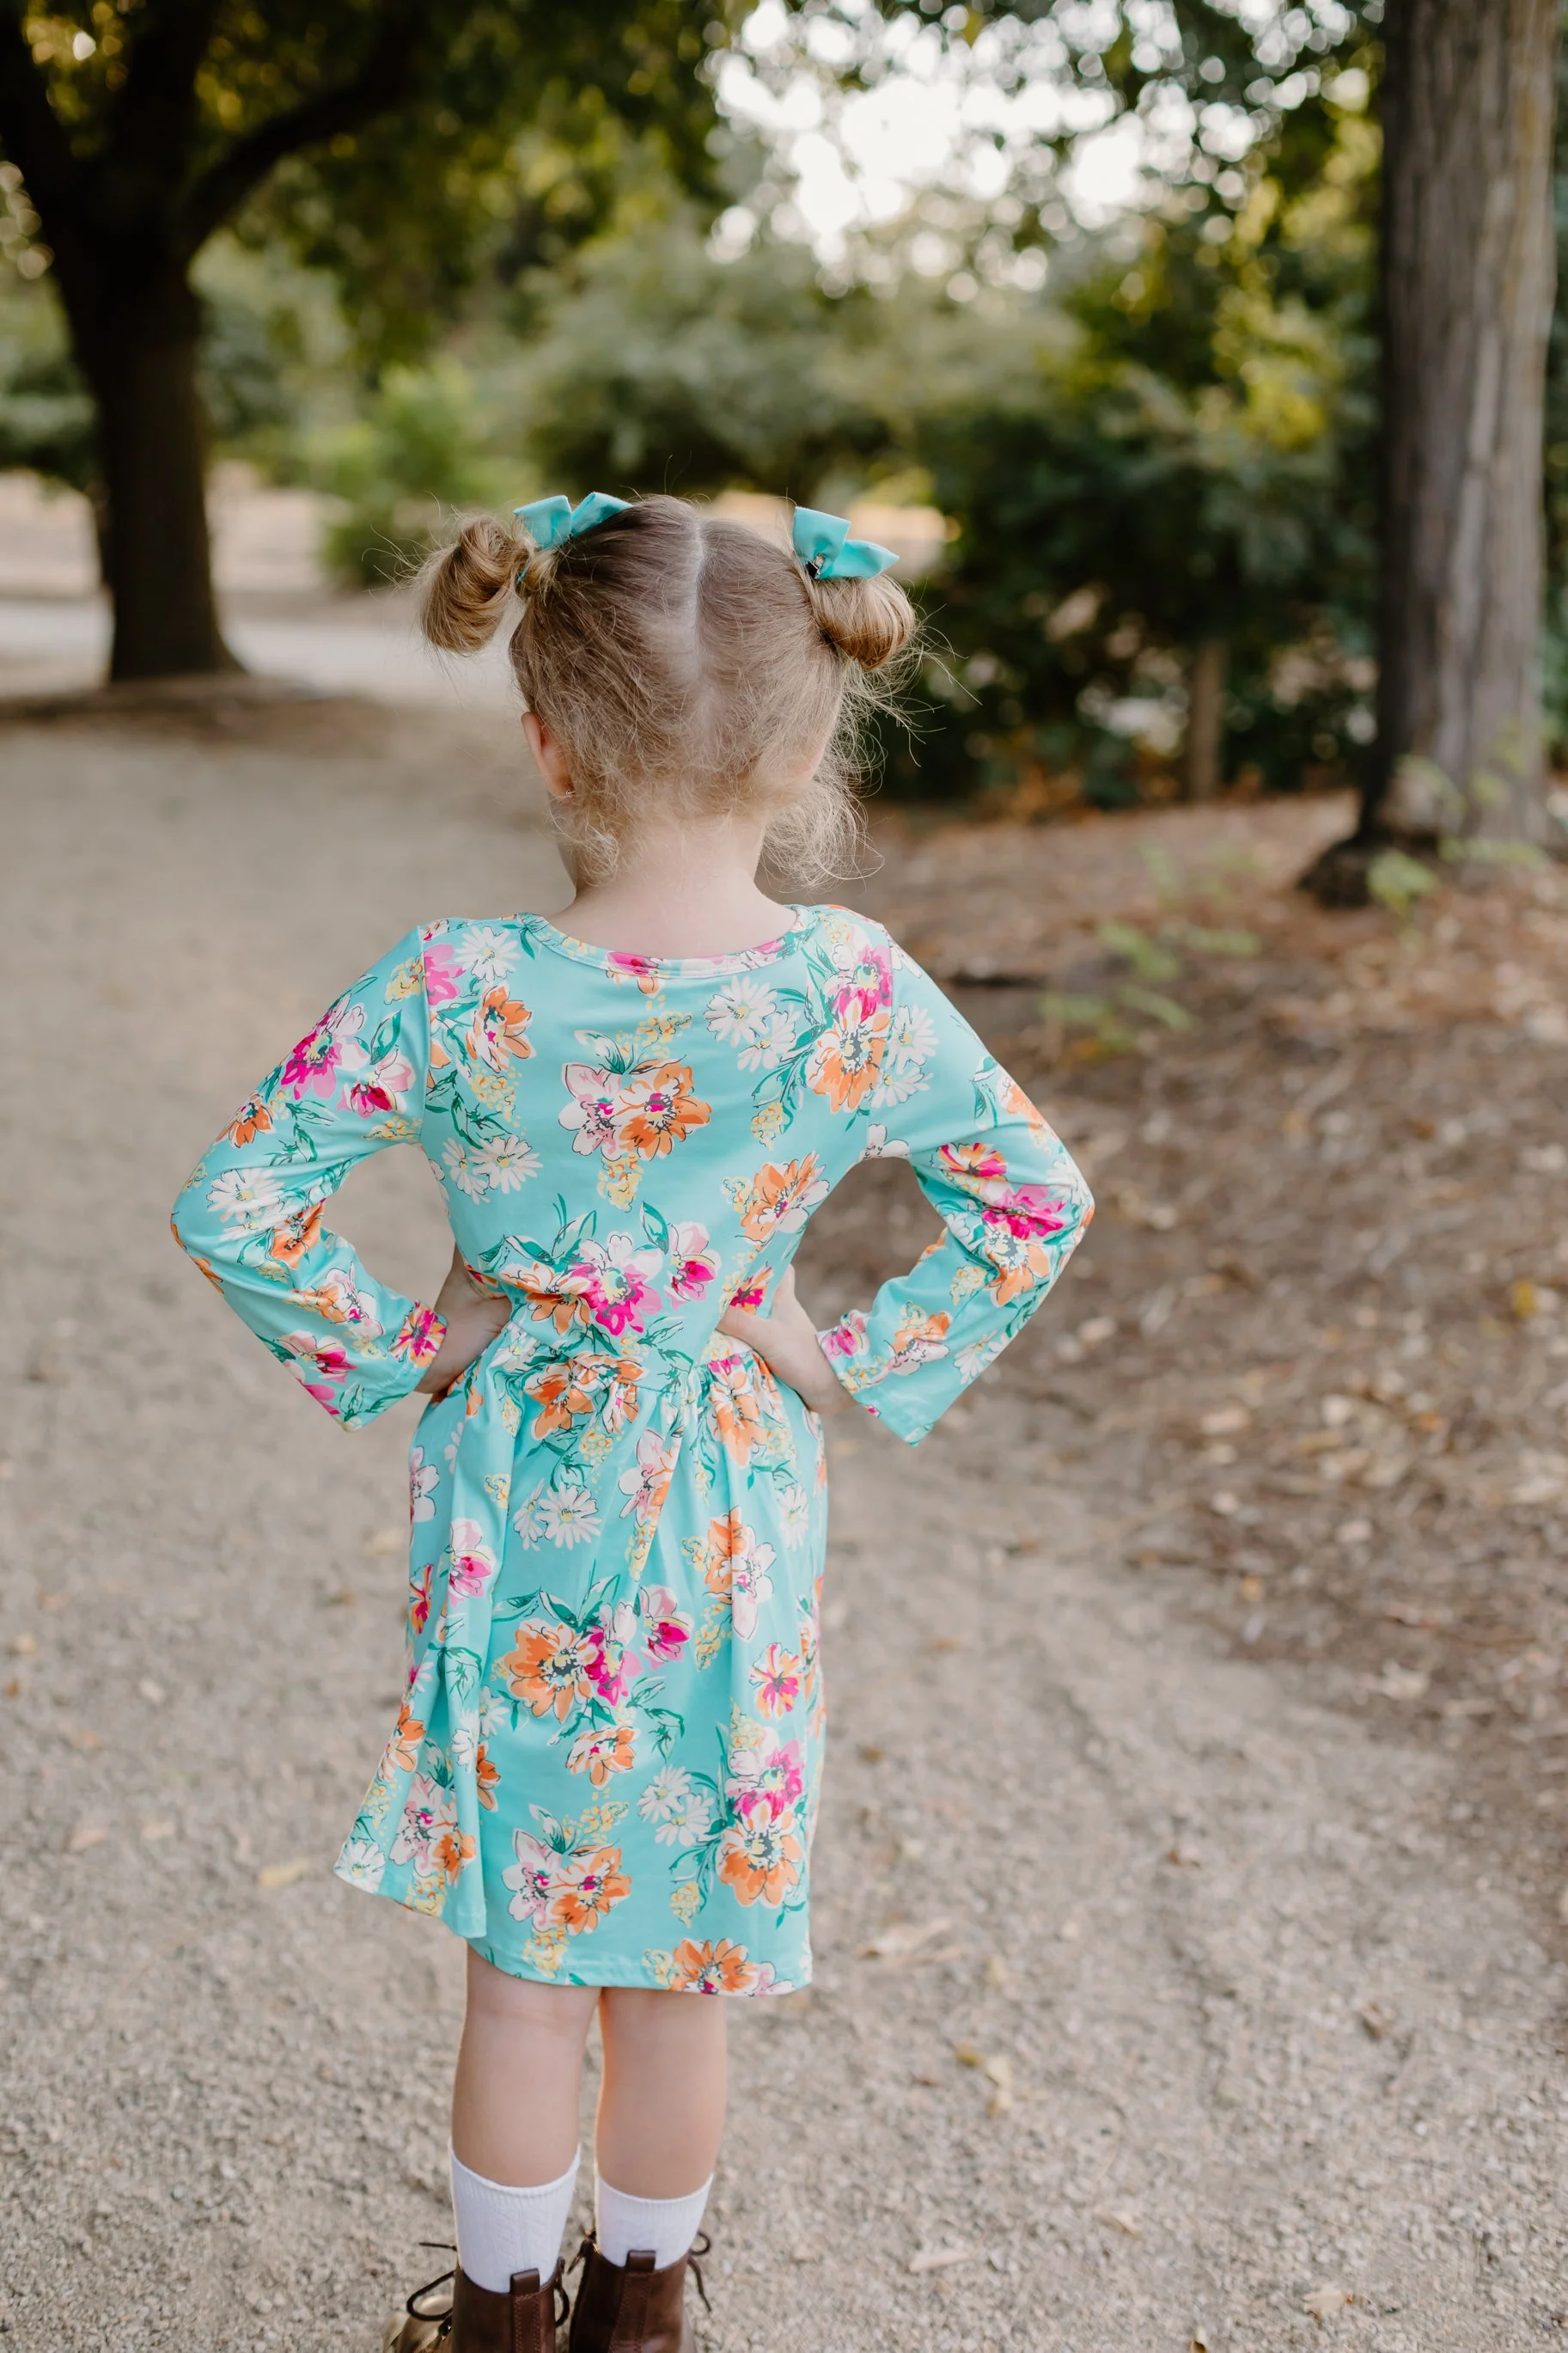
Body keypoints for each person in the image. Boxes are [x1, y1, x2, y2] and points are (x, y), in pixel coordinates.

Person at [169, 491, 1094, 2353]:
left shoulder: (453, 987)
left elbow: (237, 1199)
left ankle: (501, 2324)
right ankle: (644, 2318)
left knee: (521, 1966)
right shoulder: (846, 992)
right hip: (731, 1522)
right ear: (813, 734)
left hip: (516, 1505)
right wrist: (840, 1357)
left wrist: (406, 1340)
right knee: (680, 1973)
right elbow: (1034, 1201)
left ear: (547, 738)